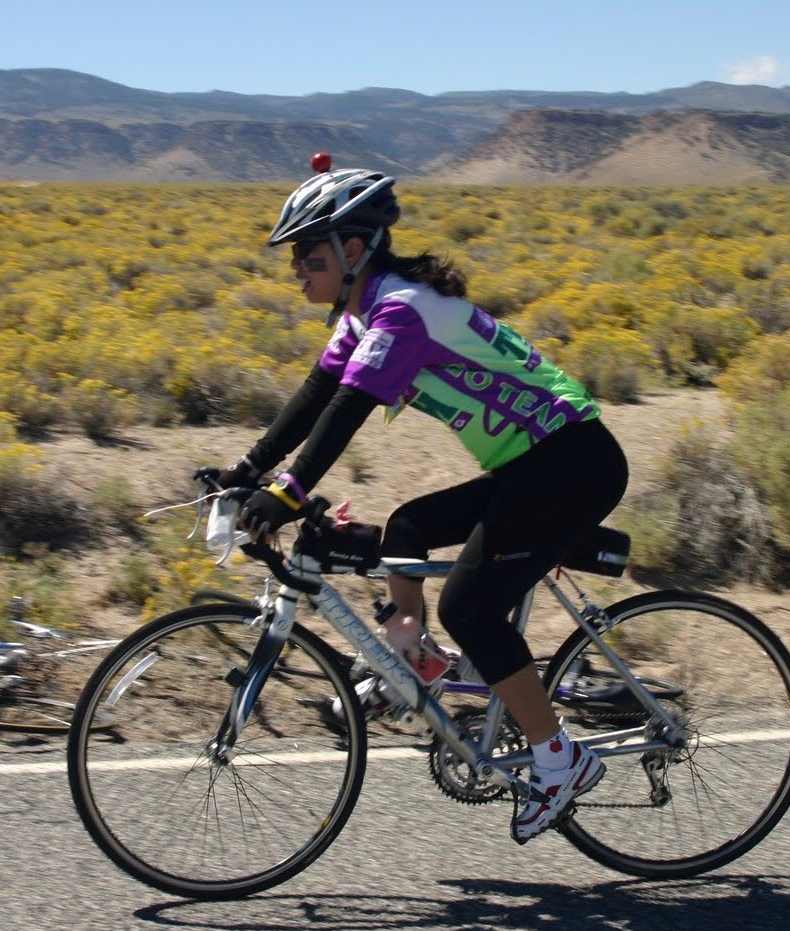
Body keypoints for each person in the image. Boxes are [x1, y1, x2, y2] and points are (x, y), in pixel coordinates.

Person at [213, 158, 629, 844]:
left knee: (469, 603)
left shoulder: (403, 312)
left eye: (308, 257)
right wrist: (246, 468)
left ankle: (560, 759)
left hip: (571, 463)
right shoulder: (366, 310)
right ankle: (423, 657)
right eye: (294, 261)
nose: (297, 272)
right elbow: (316, 394)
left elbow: (348, 409)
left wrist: (287, 492)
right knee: (405, 526)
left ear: (353, 250)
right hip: (532, 464)